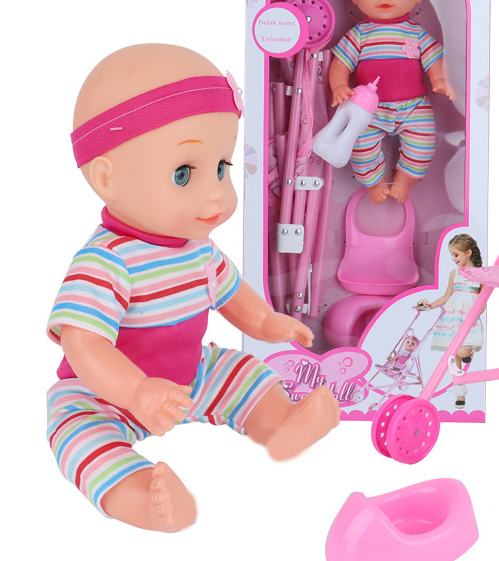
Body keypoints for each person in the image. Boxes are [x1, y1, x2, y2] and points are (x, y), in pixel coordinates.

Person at [46, 44, 340, 532]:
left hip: (187, 375)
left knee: (240, 370)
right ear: (107, 178)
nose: (217, 193)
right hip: (103, 394)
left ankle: (280, 423)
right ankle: (139, 494)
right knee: (77, 437)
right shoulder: (107, 261)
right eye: (184, 174)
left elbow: (232, 295)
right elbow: (83, 342)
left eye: (222, 167)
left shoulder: (198, 250)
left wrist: (267, 322)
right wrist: (135, 391)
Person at [329, 0, 456, 205]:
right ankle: (373, 181)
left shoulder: (415, 33)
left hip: (414, 106)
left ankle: (405, 179)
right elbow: (340, 63)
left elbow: (434, 58)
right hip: (368, 110)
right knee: (360, 146)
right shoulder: (360, 34)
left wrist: (439, 79)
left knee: (423, 144)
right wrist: (339, 86)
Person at [415, 234, 483, 409]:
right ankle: (460, 394)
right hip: (452, 319)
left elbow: (483, 302)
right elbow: (446, 297)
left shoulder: (481, 275)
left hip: (469, 319)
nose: (453, 259)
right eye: (451, 255)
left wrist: (474, 316)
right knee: (453, 358)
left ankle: (467, 353)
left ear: (468, 252)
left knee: (462, 350)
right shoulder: (454, 274)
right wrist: (429, 306)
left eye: (456, 254)